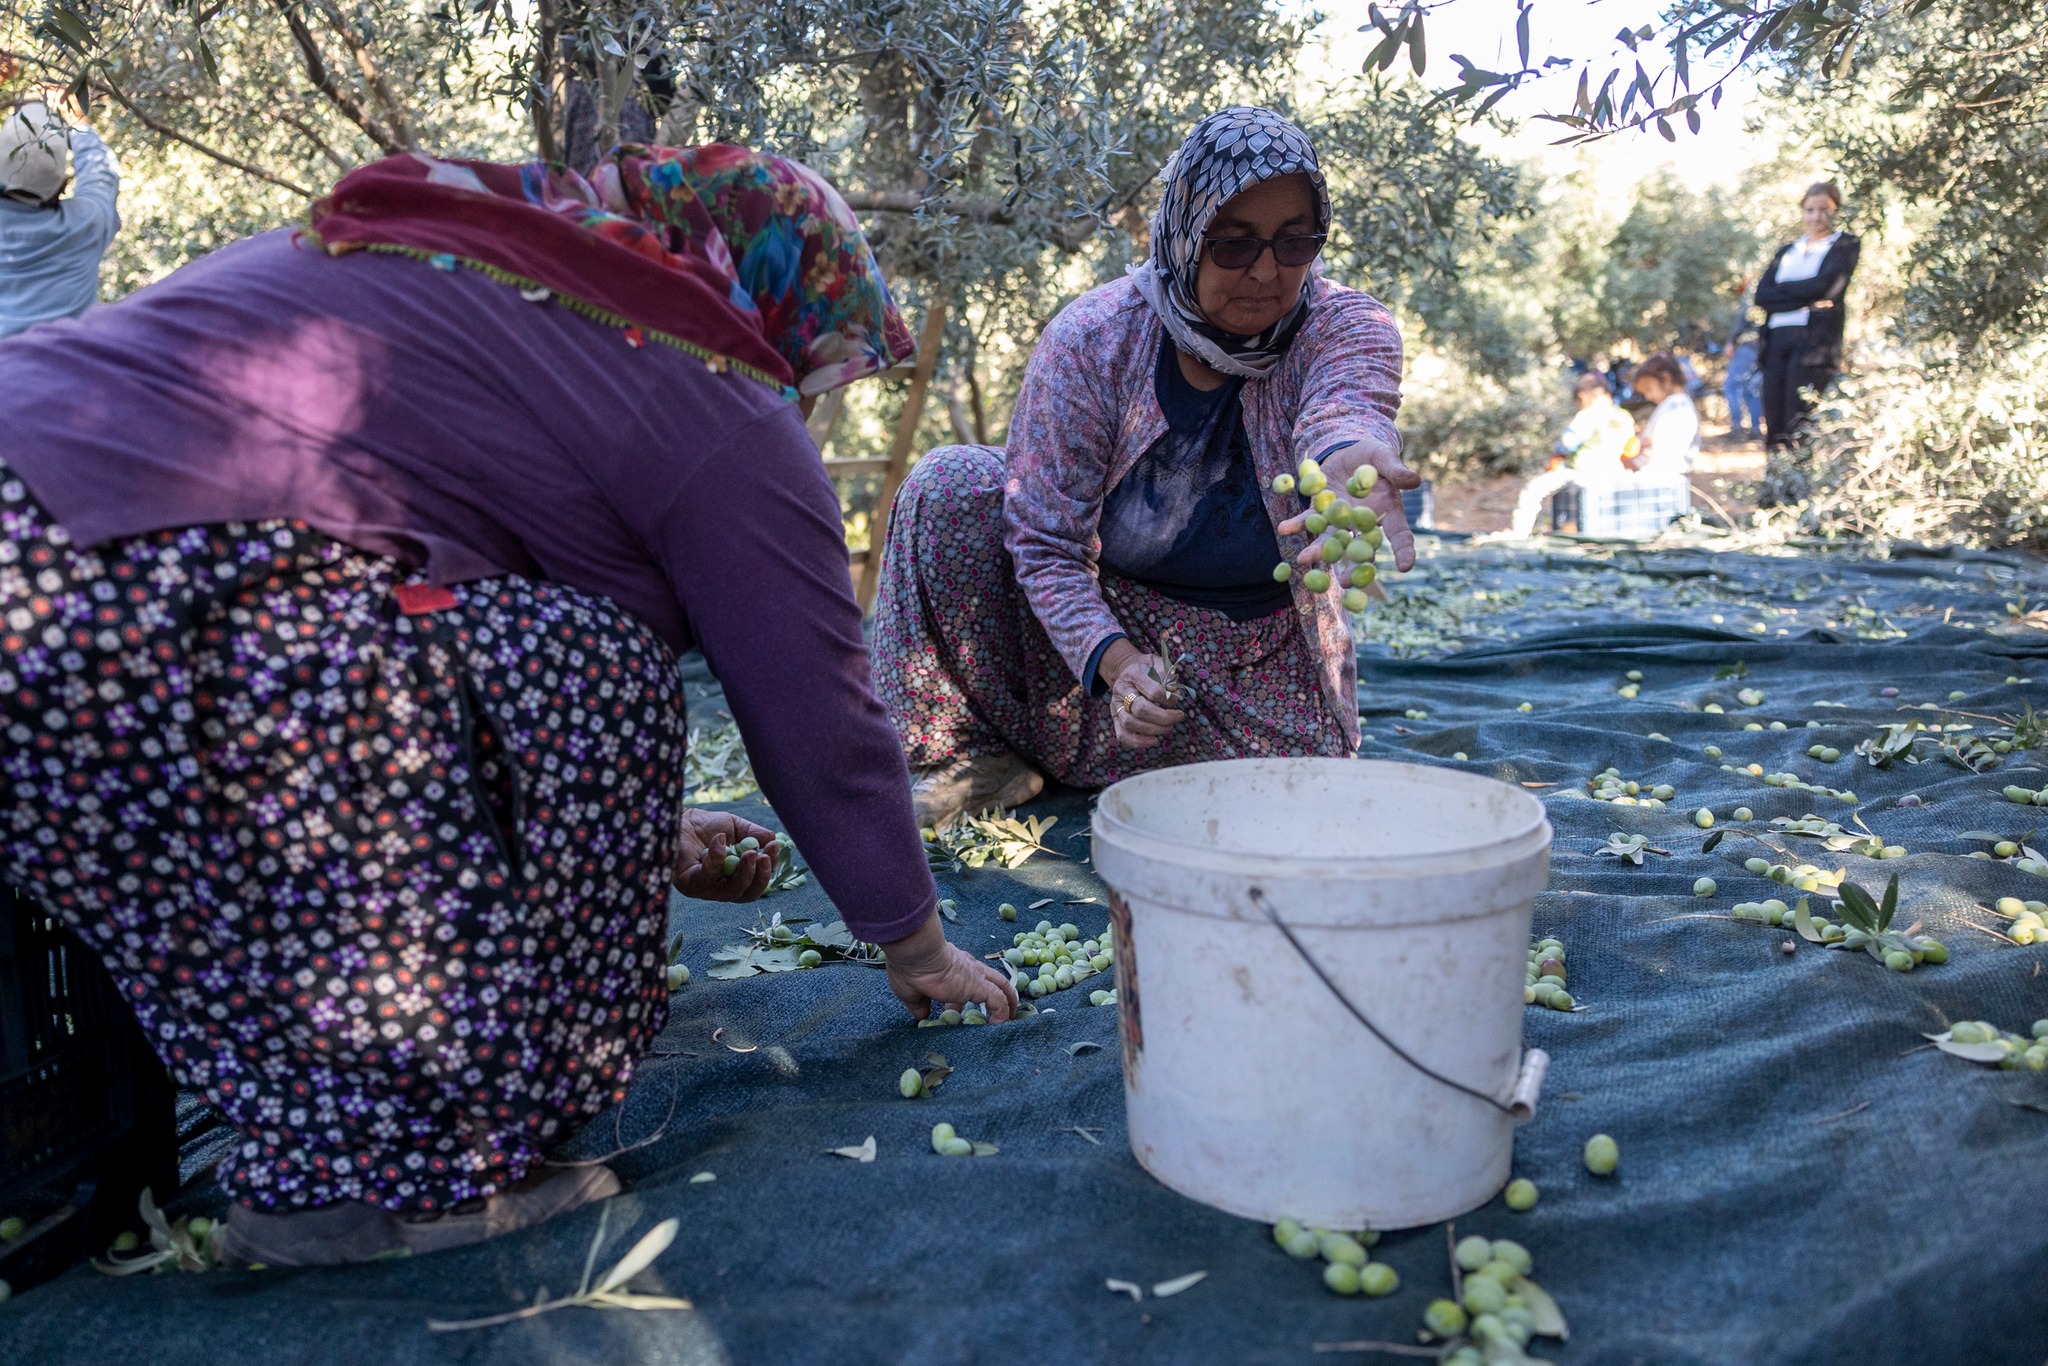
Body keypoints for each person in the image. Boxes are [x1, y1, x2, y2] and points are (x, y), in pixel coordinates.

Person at [0, 143, 1016, 1267]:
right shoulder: (701, 369)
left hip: (58, 579)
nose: (809, 407)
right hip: (99, 587)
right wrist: (914, 943)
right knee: (601, 667)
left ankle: (334, 1145)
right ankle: (392, 1177)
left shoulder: (472, 257)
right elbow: (820, 714)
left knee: (536, 655)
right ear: (778, 298)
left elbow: (438, 635)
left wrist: (651, 829)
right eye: (820, 371)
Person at [870, 107, 1410, 831]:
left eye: (1295, 242)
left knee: (1294, 813)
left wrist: (1347, 451)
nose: (1266, 271)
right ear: (1186, 233)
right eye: (1233, 243)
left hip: (1258, 657)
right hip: (1101, 636)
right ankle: (972, 758)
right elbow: (1044, 542)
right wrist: (1121, 667)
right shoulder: (1094, 340)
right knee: (952, 486)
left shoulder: (1344, 325)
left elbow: (1346, 403)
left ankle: (1100, 762)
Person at [0, 95, 120, 337]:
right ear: (63, 186)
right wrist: (79, 124)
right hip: (57, 370)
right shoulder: (86, 225)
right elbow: (101, 174)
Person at [1753, 181, 1860, 450]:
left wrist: (1783, 295)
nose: (1816, 217)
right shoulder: (1786, 251)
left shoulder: (1845, 245)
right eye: (1810, 210)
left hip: (1813, 344)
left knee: (1800, 419)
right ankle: (1774, 486)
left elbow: (1827, 287)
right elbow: (1762, 296)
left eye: (1825, 210)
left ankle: (1800, 486)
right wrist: (1807, 300)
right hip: (1776, 340)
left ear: (1836, 211)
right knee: (1774, 419)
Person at [1507, 374, 1638, 539]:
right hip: (1613, 473)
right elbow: (1631, 449)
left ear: (1583, 395)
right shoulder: (1623, 416)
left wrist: (1557, 453)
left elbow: (1566, 444)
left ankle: (1519, 533)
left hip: (1582, 472)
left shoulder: (1588, 415)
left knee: (1532, 490)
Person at [1624, 353, 1701, 478]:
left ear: (1666, 379)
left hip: (1663, 479)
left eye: (1649, 389)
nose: (1648, 397)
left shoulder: (1677, 407)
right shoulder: (1672, 404)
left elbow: (1663, 455)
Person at [1722, 290, 1765, 442]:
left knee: (1731, 386)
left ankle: (1737, 427)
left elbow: (1742, 319)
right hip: (1762, 348)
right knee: (1750, 390)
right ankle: (1755, 429)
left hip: (1747, 347)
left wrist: (1732, 341)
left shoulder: (1755, 293)